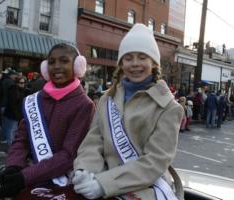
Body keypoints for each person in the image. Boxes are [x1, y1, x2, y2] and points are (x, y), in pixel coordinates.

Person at [72, 24, 184, 200]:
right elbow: (93, 142)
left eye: (142, 57)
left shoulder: (169, 107)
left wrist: (104, 184)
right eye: (128, 58)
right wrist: (84, 170)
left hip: (146, 189)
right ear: (121, 63)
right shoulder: (107, 99)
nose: (135, 64)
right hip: (100, 182)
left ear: (154, 63)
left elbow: (154, 162)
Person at [0, 43, 95, 199]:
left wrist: (25, 177)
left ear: (77, 66)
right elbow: (21, 140)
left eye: (64, 61)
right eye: (52, 62)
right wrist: (14, 165)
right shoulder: (34, 100)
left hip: (63, 182)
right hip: (31, 176)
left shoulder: (84, 105)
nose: (57, 67)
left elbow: (69, 155)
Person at [3, 77, 29, 145]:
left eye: (24, 83)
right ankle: (11, 145)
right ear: (17, 83)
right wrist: (16, 113)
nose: (23, 84)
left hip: (17, 114)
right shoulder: (14, 91)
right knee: (11, 130)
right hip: (12, 114)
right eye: (21, 83)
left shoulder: (22, 91)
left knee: (14, 130)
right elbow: (13, 104)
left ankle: (12, 145)